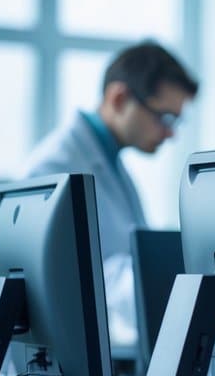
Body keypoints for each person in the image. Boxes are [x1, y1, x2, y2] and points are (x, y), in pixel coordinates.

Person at [24, 41, 197, 349]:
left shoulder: (110, 162)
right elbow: (70, 286)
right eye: (165, 118)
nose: (171, 134)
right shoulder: (53, 168)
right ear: (118, 98)